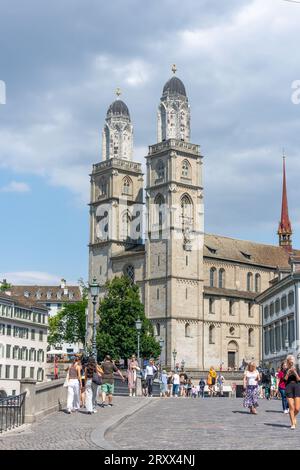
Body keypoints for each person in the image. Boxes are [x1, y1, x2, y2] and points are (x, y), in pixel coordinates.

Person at [284, 355, 300, 429]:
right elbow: (284, 380)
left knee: (297, 408)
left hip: (296, 386)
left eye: (292, 360)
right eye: (289, 360)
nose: (291, 361)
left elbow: (299, 379)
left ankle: (293, 416)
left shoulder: (297, 367)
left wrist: (295, 372)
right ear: (288, 361)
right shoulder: (285, 368)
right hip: (288, 387)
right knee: (291, 406)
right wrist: (288, 372)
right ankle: (292, 423)